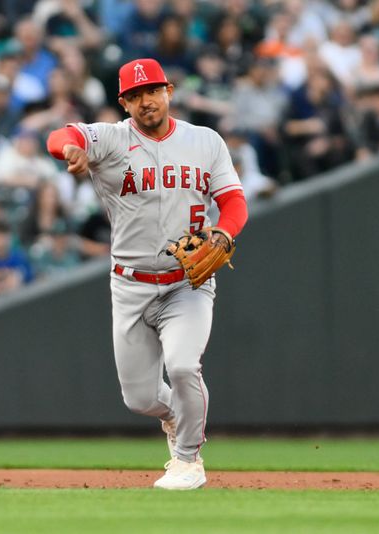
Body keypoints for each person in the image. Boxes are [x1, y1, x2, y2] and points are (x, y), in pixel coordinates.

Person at [46, 58, 248, 490]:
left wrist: (225, 234)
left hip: (186, 283)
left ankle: (188, 459)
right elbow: (61, 134)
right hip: (130, 284)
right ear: (123, 102)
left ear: (169, 91)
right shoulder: (112, 139)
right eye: (135, 96)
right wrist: (70, 150)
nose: (145, 101)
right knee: (138, 398)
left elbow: (234, 202)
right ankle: (177, 416)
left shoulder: (205, 141)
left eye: (152, 91)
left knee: (181, 366)